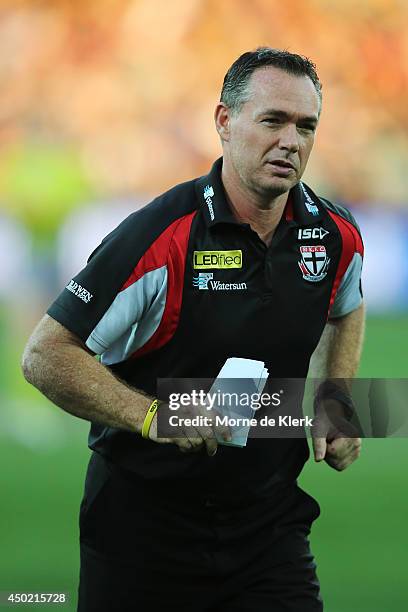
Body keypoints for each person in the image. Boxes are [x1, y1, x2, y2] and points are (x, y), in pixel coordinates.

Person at [22, 48, 365, 612]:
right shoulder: (160, 236)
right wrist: (154, 416)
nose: (291, 142)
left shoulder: (333, 233)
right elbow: (45, 355)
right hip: (142, 535)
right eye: (272, 121)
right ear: (225, 123)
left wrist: (336, 397)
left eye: (307, 126)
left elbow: (346, 305)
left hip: (271, 531)